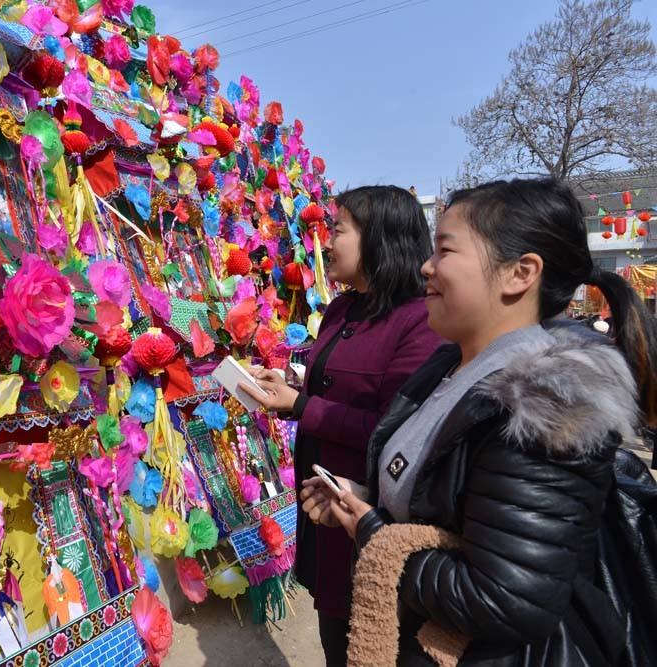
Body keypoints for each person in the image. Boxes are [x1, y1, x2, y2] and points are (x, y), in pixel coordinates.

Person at [301, 178, 657, 666]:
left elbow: (503, 599)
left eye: (446, 250)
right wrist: (365, 496)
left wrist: (372, 531)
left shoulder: (545, 409)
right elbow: (450, 500)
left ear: (519, 273)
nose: (427, 265)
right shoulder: (454, 368)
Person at [239, 185, 442, 666]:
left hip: (368, 510)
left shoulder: (419, 322)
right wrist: (287, 385)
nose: (325, 242)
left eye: (338, 230)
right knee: (336, 633)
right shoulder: (341, 308)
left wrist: (302, 405)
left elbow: (398, 431)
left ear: (380, 239)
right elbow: (330, 387)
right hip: (325, 510)